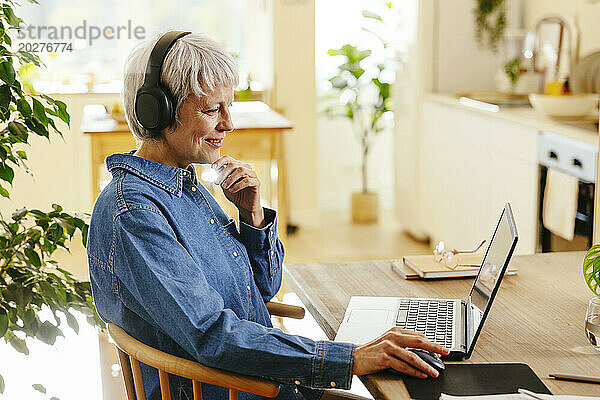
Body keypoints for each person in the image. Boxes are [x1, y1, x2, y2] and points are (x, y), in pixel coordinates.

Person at [86, 32, 449, 400]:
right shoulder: (134, 214)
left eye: (229, 107)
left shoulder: (185, 184)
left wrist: (252, 216)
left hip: (268, 383)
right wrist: (351, 358)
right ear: (157, 111)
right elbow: (212, 335)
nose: (228, 124)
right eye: (212, 110)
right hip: (237, 390)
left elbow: (263, 286)